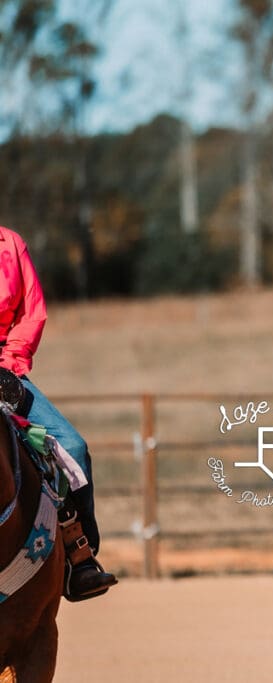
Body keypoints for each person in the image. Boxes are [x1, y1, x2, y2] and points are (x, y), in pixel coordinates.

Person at [0, 225, 117, 600]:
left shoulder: (11, 243)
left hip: (3, 368)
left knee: (72, 447)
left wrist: (8, 364)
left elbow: (30, 313)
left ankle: (78, 559)